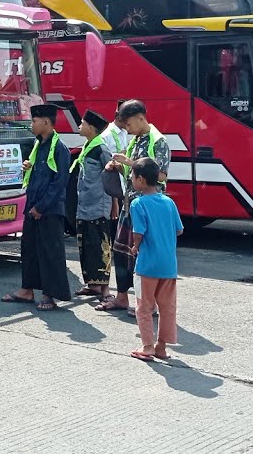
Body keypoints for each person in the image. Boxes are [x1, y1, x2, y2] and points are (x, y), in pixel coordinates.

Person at [97, 99, 170, 315]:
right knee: (121, 253)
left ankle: (150, 303)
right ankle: (121, 298)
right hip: (130, 205)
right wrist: (119, 166)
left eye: (128, 124)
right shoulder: (136, 140)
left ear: (140, 118)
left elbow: (162, 175)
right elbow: (133, 174)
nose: (126, 129)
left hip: (148, 209)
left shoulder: (158, 141)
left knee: (144, 256)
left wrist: (130, 163)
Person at [1, 104, 73, 310]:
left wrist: (41, 207)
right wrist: (28, 167)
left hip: (49, 211)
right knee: (29, 249)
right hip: (32, 207)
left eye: (34, 121)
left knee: (51, 252)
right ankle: (27, 290)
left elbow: (59, 183)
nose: (31, 125)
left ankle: (50, 295)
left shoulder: (60, 149)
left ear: (46, 122)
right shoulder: (38, 144)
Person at [126, 157, 184, 362]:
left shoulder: (138, 203)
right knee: (167, 307)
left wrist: (135, 247)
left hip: (147, 264)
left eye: (132, 176)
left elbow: (138, 232)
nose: (131, 179)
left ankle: (147, 346)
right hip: (169, 265)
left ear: (140, 179)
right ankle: (161, 347)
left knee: (144, 306)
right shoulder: (169, 201)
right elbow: (179, 230)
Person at [71, 110, 114, 299]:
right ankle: (93, 285)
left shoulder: (101, 150)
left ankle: (105, 290)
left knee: (100, 246)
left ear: (91, 127)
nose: (79, 126)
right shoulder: (88, 146)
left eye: (82, 123)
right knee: (86, 245)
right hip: (84, 205)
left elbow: (112, 178)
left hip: (98, 206)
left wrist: (114, 204)